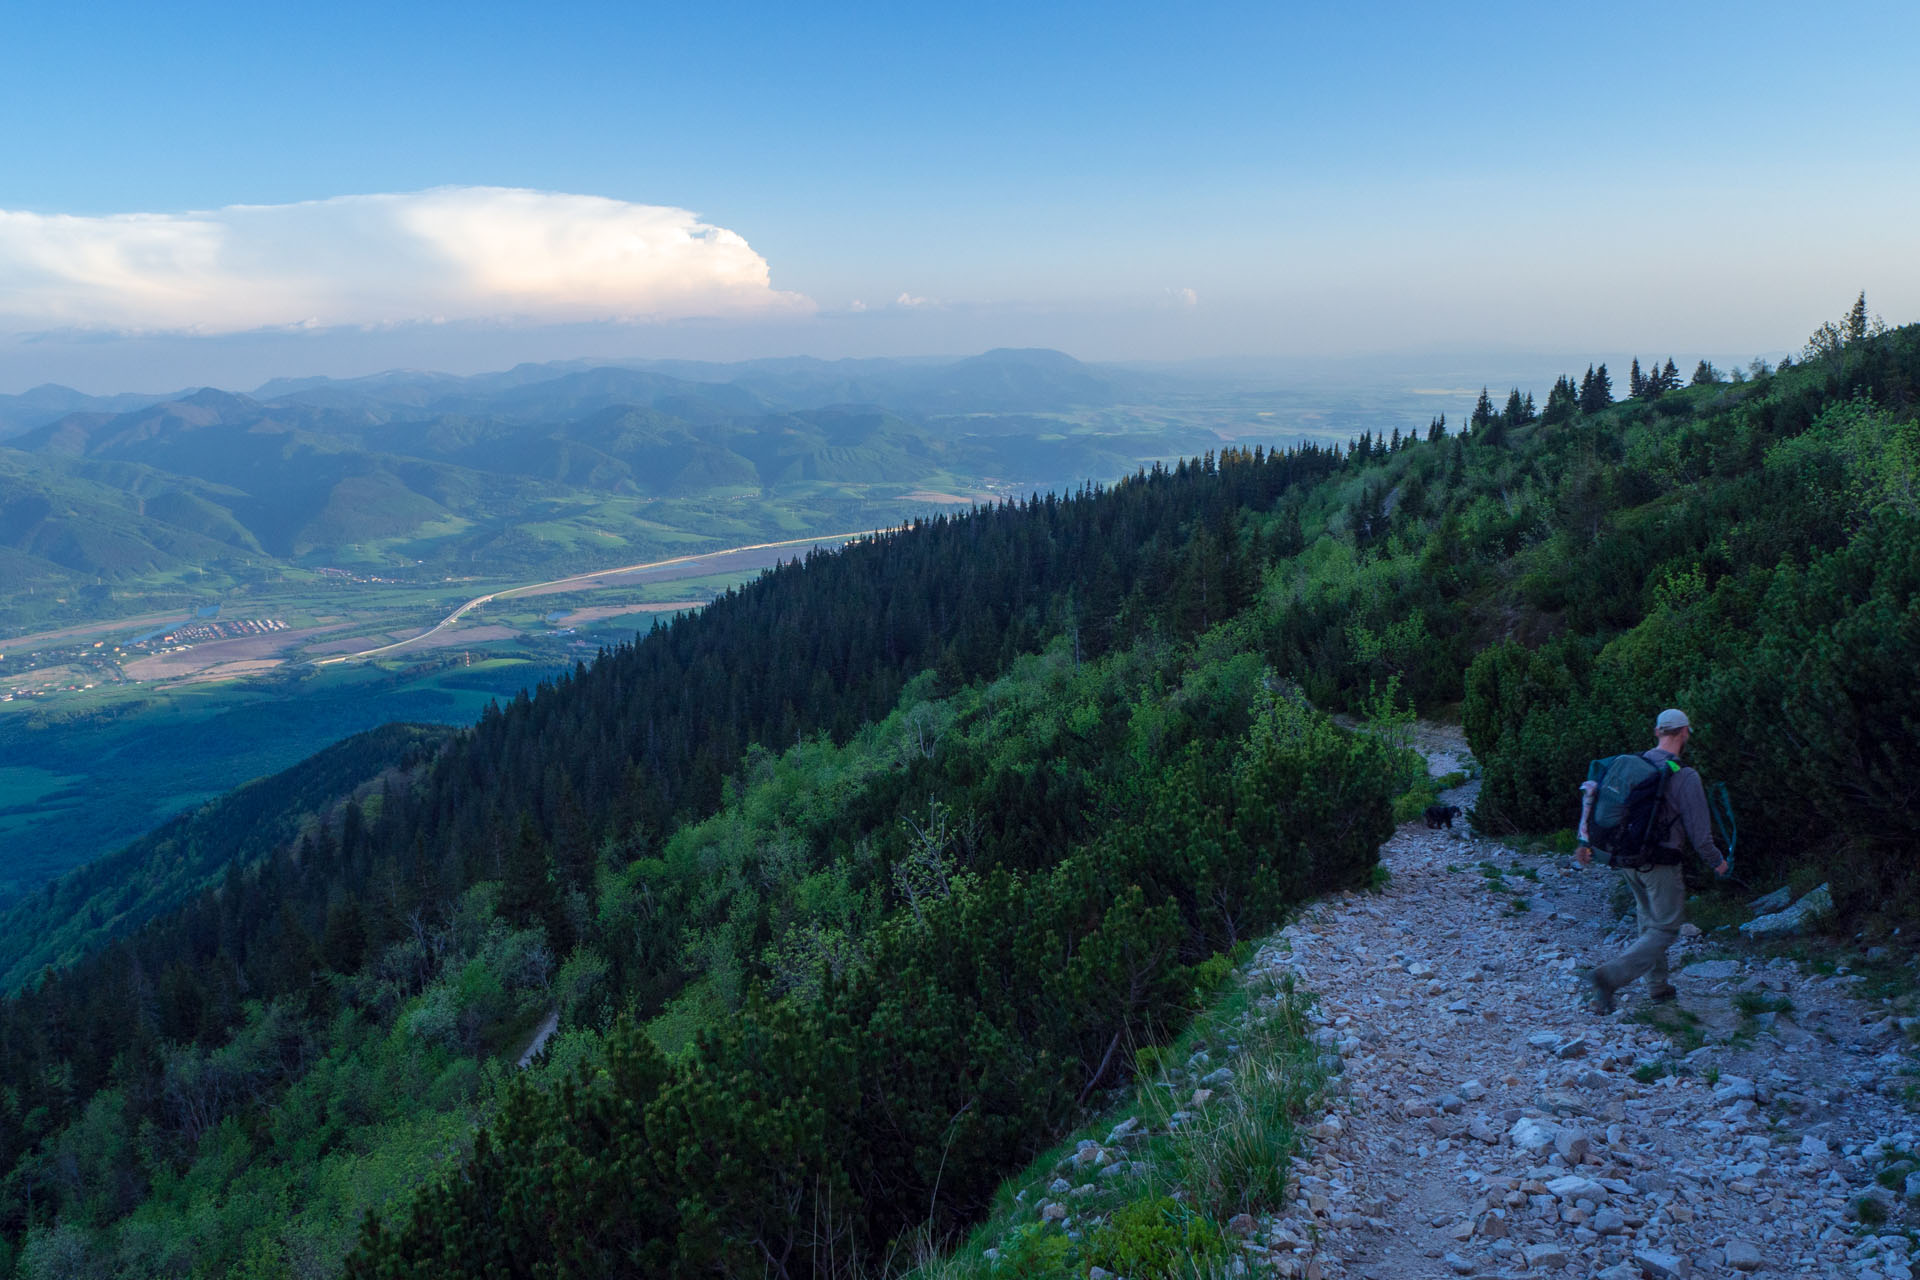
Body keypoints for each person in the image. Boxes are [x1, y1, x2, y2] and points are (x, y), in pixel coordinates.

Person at [1579, 708, 1730, 1013]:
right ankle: (1608, 977)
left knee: (1648, 920)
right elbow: (1700, 835)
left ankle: (1658, 987)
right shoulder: (1684, 775)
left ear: (1657, 732)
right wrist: (1718, 862)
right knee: (1665, 928)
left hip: (1626, 859)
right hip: (1660, 863)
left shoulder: (1631, 764)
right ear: (1685, 732)